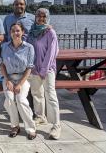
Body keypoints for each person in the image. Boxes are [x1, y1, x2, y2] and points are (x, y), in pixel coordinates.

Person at [27, 8, 61, 140]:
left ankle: (56, 125)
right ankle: (40, 117)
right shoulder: (32, 32)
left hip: (47, 70)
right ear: (35, 17)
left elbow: (52, 53)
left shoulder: (50, 32)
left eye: (44, 17)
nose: (41, 19)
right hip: (34, 69)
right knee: (37, 94)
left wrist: (43, 70)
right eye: (39, 16)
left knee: (51, 95)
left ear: (47, 18)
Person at [0, 22, 36, 140]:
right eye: (13, 31)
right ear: (10, 33)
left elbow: (29, 68)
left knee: (21, 100)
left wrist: (20, 84)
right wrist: (7, 80)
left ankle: (31, 128)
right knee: (10, 99)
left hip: (23, 78)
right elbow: (2, 65)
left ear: (22, 32)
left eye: (18, 30)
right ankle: (15, 126)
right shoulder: (4, 46)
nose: (15, 33)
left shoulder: (29, 48)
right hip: (8, 78)